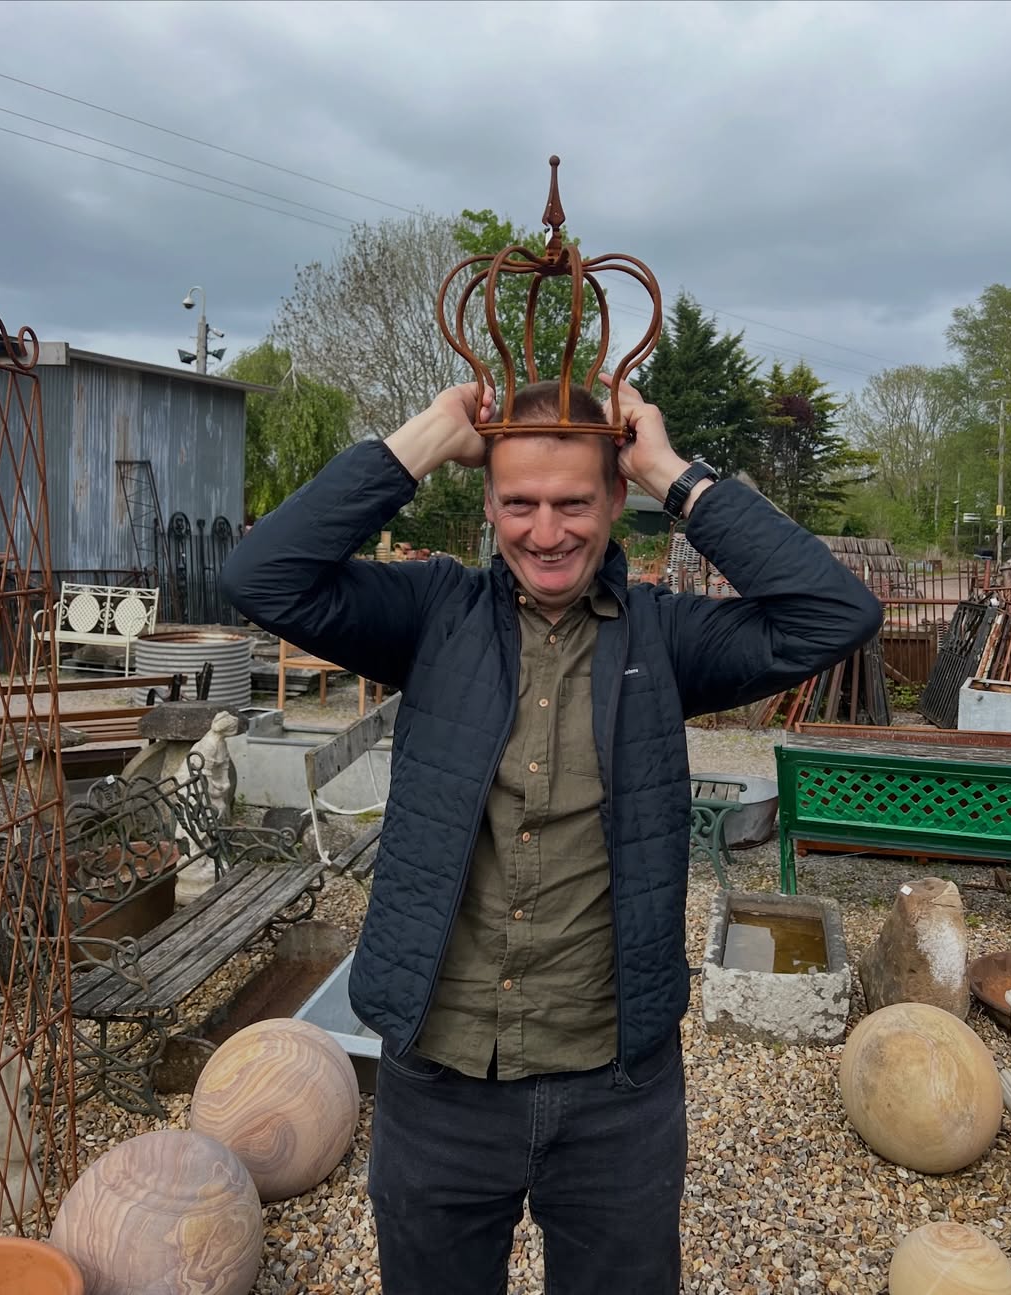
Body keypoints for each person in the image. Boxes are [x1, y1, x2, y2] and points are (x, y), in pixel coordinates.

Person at [220, 374, 882, 1295]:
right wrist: (424, 438)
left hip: (616, 1093)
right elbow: (262, 576)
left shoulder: (666, 636)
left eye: (574, 500)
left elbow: (836, 613)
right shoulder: (430, 617)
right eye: (519, 502)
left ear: (617, 498)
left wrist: (670, 469)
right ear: (487, 501)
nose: (546, 531)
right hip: (439, 1084)